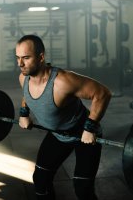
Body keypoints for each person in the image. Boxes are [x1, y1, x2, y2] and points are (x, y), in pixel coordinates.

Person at [15, 35, 111, 200]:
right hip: (58, 135)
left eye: (26, 57)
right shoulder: (24, 78)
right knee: (40, 180)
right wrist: (24, 113)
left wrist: (90, 128)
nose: (20, 64)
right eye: (17, 58)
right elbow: (26, 95)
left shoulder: (63, 81)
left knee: (82, 190)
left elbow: (102, 93)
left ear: (41, 57)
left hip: (83, 135)